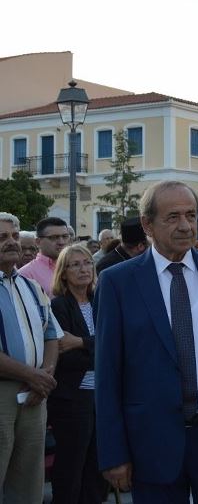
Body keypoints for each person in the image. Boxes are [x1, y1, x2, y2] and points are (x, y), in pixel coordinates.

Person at [95, 180, 198, 502]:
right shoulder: (118, 283)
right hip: (151, 441)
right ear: (147, 225)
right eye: (173, 217)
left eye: (191, 215)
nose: (186, 226)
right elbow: (108, 373)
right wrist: (113, 453)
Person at [0, 211, 63, 503]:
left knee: (28, 480)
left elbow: (52, 334)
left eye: (14, 235)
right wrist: (32, 376)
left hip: (36, 394)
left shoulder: (30, 286)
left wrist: (45, 375)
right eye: (2, 237)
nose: (11, 242)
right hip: (5, 391)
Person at [49, 244, 104, 504]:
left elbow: (115, 344)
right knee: (72, 465)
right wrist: (96, 345)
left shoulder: (100, 300)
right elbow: (64, 355)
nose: (84, 269)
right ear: (63, 273)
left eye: (87, 263)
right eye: (75, 264)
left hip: (101, 395)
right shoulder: (59, 306)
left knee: (96, 463)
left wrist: (82, 342)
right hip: (73, 397)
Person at [20, 216, 73, 297]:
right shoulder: (25, 274)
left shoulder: (77, 266)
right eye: (54, 237)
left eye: (65, 236)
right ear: (38, 242)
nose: (61, 242)